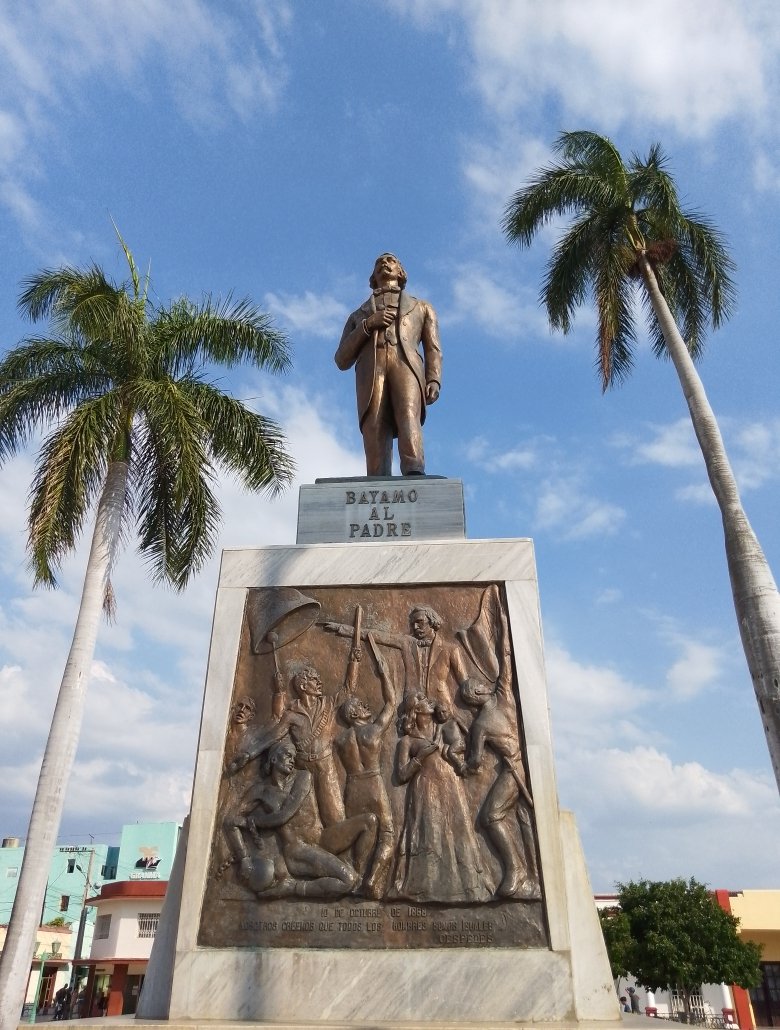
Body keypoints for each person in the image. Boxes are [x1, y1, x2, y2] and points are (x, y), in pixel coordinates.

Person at [225, 739, 377, 898]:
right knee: (347, 880)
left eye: (293, 757)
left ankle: (360, 878)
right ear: (274, 759)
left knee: (369, 821)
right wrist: (243, 858)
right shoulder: (259, 791)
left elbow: (285, 814)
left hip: (322, 838)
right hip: (297, 849)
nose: (292, 760)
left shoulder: (303, 777)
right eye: (288, 755)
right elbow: (230, 821)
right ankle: (292, 887)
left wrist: (253, 821)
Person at [335, 252, 441, 476]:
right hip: (371, 371)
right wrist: (367, 325)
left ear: (401, 272)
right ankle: (376, 477)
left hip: (406, 365)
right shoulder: (358, 315)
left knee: (408, 415)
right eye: (379, 262)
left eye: (391, 260)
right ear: (373, 276)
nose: (384, 263)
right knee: (373, 424)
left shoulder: (421, 307)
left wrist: (434, 378)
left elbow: (432, 347)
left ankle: (414, 471)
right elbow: (341, 359)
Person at [389, 692, 492, 903]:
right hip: (425, 789)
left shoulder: (443, 727)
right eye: (423, 700)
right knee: (431, 834)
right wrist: (420, 757)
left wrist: (452, 748)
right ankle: (429, 889)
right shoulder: (407, 742)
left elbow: (462, 745)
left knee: (457, 833)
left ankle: (465, 889)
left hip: (449, 785)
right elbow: (400, 775)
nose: (429, 701)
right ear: (416, 711)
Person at [227, 664, 345, 826]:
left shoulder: (328, 703)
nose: (319, 683)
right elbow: (273, 736)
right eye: (314, 680)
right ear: (303, 686)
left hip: (325, 767)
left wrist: (354, 660)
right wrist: (248, 754)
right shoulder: (291, 715)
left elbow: (348, 688)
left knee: (334, 816)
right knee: (303, 821)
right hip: (303, 769)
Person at [334, 635, 396, 898]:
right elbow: (391, 703)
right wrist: (384, 674)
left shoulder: (339, 740)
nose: (366, 707)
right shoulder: (372, 732)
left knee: (360, 833)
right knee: (388, 832)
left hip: (352, 787)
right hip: (373, 783)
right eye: (361, 706)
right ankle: (371, 879)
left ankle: (356, 877)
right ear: (355, 714)